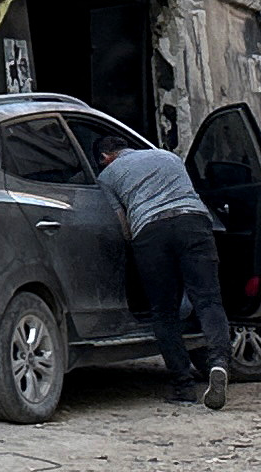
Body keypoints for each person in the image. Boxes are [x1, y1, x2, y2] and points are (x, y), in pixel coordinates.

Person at [93, 131, 231, 409]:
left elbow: (123, 222)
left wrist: (135, 247)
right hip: (193, 222)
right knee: (208, 300)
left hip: (150, 230)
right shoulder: (168, 156)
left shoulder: (107, 176)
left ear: (105, 158)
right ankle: (218, 363)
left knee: (164, 311)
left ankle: (183, 387)